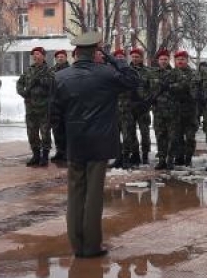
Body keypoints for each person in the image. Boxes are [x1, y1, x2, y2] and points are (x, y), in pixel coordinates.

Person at [51, 31, 140, 258]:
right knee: (93, 196)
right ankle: (91, 246)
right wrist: (113, 59)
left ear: (76, 52)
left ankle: (76, 244)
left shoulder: (61, 77)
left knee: (75, 194)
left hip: (75, 142)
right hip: (99, 142)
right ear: (96, 52)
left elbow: (55, 115)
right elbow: (133, 79)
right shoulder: (106, 74)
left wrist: (62, 146)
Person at [16, 46, 54, 167]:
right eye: (34, 55)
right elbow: (20, 83)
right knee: (31, 132)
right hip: (30, 106)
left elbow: (53, 85)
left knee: (45, 132)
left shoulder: (49, 70)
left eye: (38, 54)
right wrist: (23, 92)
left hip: (44, 107)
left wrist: (41, 81)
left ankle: (45, 156)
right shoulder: (28, 70)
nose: (35, 56)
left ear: (43, 56)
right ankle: (36, 154)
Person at [149, 49, 181, 170]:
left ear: (169, 60)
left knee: (172, 137)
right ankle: (162, 159)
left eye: (165, 59)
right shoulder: (152, 73)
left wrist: (170, 86)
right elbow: (147, 87)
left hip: (172, 110)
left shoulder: (176, 73)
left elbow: (183, 85)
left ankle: (170, 160)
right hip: (158, 111)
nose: (163, 61)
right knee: (160, 135)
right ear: (158, 60)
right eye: (161, 59)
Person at [171, 50, 200, 167]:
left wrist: (179, 87)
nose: (180, 61)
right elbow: (169, 87)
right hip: (175, 110)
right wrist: (182, 86)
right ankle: (178, 158)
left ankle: (188, 158)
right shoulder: (171, 73)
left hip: (190, 111)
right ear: (175, 61)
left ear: (187, 60)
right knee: (176, 136)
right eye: (178, 59)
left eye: (182, 59)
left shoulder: (194, 74)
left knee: (190, 137)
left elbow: (195, 88)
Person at [128, 48, 152, 165]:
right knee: (131, 131)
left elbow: (152, 88)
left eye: (137, 57)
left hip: (143, 107)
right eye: (133, 57)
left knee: (145, 132)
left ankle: (145, 154)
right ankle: (135, 154)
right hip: (130, 106)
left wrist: (147, 102)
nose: (135, 59)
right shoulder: (126, 70)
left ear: (142, 58)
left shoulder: (148, 72)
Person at [50, 49, 70, 163]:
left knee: (67, 129)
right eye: (58, 57)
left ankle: (68, 152)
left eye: (62, 56)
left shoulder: (71, 69)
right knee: (56, 129)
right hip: (55, 104)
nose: (60, 58)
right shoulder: (51, 71)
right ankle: (59, 151)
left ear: (66, 58)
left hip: (67, 104)